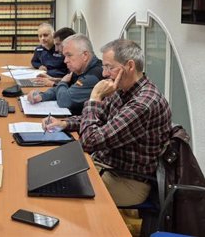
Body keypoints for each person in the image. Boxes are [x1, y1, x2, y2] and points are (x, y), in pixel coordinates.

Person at [42, 39, 172, 206]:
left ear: (130, 66)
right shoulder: (123, 90)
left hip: (127, 181)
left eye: (110, 67)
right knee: (50, 170)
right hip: (105, 165)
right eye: (104, 67)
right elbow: (99, 116)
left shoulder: (144, 103)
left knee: (58, 191)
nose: (104, 74)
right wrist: (65, 123)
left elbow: (90, 141)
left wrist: (95, 97)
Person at [26, 33, 103, 115]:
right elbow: (63, 89)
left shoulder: (93, 76)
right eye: (65, 56)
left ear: (85, 55)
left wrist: (63, 82)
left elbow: (64, 100)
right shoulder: (80, 69)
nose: (65, 60)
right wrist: (42, 96)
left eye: (69, 55)